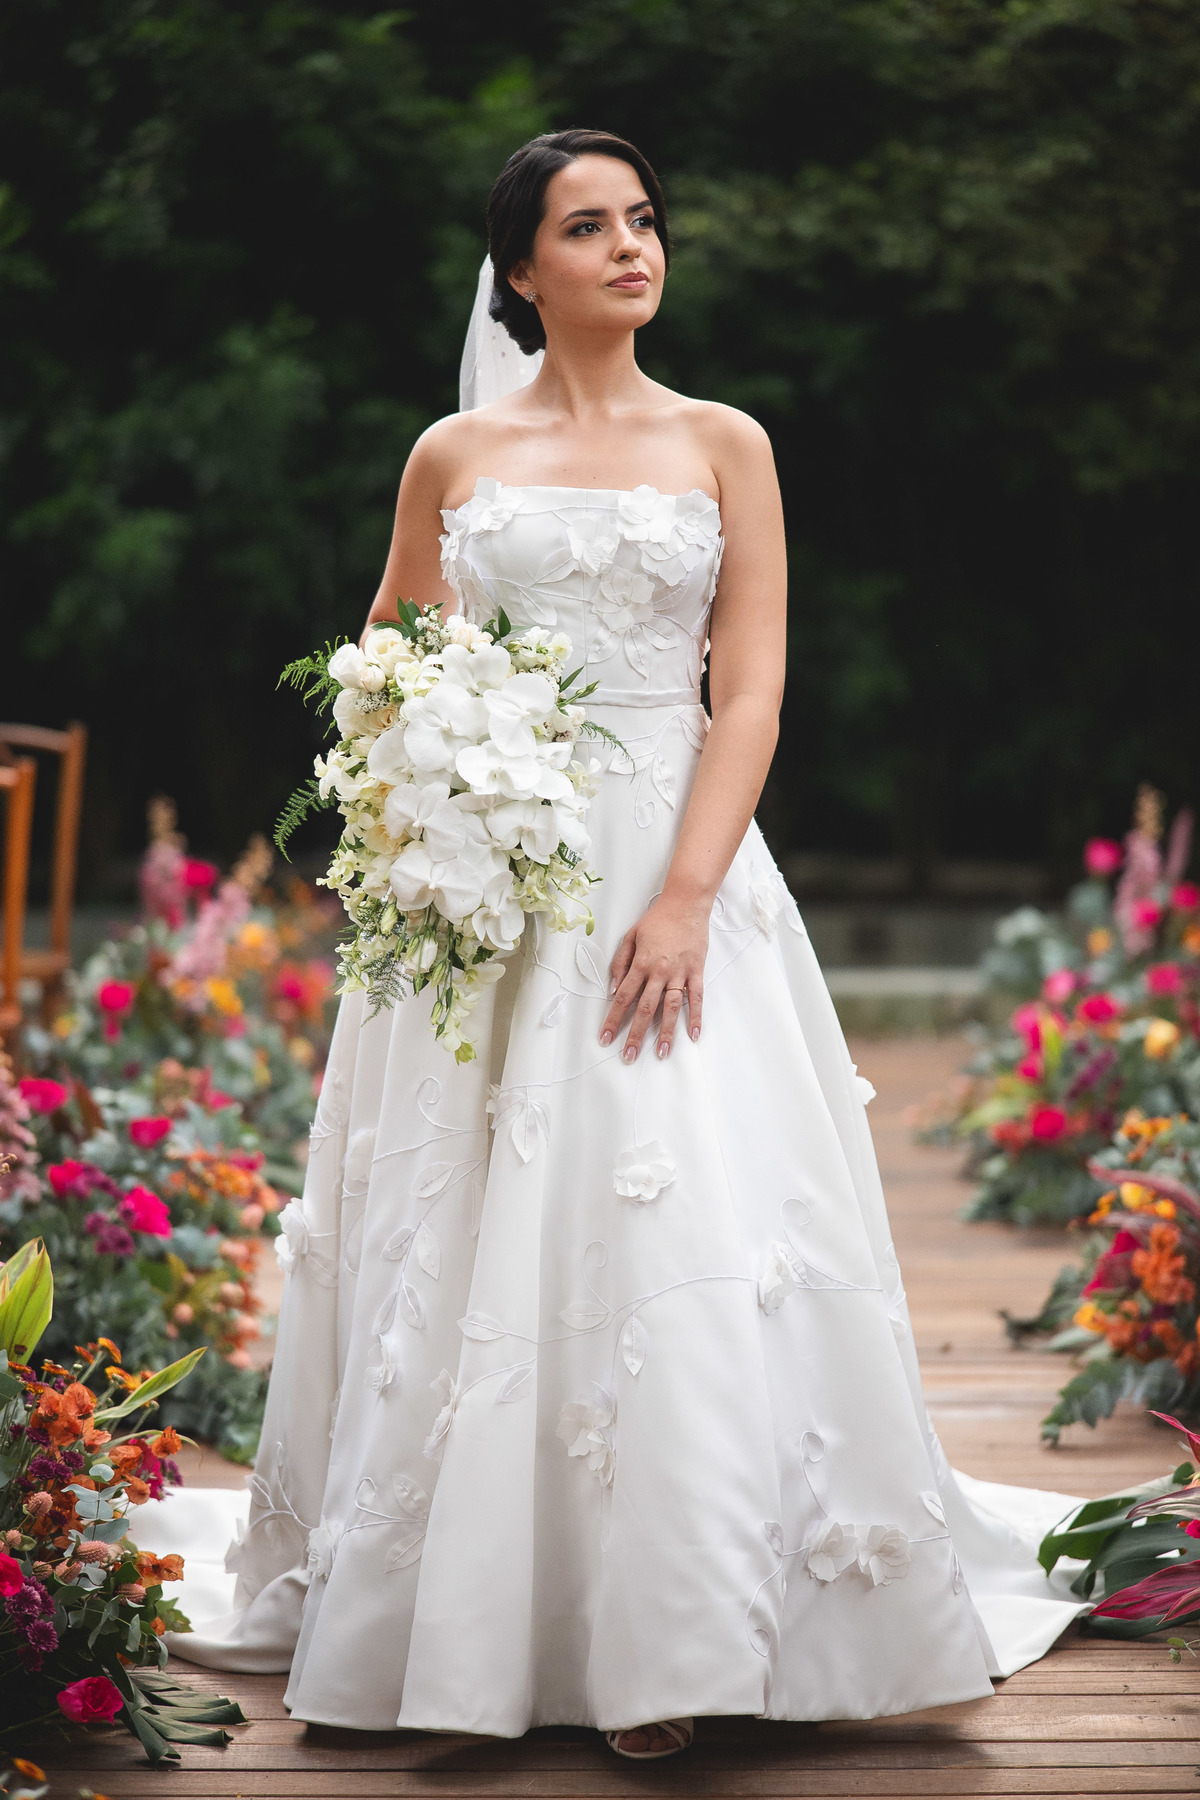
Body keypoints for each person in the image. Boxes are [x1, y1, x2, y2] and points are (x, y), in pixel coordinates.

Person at [150, 129, 1086, 1759]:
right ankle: (454, 1611)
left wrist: (684, 895)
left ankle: (674, 1630)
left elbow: (755, 687)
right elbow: (391, 642)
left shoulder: (728, 441)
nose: (632, 248)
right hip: (490, 881)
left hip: (673, 851)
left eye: (644, 220)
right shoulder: (453, 451)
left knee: (673, 1202)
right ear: (523, 268)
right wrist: (419, 800)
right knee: (477, 1222)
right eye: (590, 227)